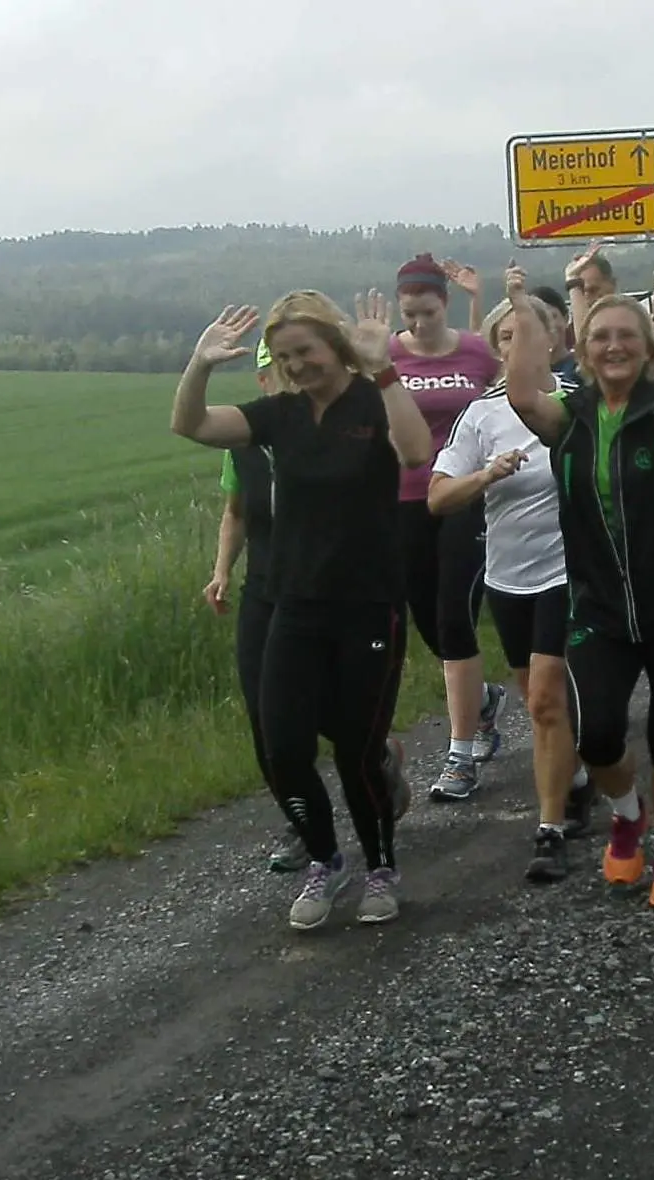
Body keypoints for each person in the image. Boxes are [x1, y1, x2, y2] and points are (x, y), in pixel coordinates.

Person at [171, 290, 433, 929]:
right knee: (283, 747)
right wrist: (200, 363)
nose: (296, 365)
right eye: (285, 356)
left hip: (369, 605)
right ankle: (325, 860)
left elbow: (417, 452)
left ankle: (379, 867)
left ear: (334, 344)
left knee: (355, 748)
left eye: (306, 352)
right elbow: (193, 425)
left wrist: (384, 369)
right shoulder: (280, 415)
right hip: (295, 603)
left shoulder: (374, 400)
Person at [505, 259, 654, 911]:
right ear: (584, 350)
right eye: (601, 337)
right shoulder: (570, 416)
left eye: (627, 335)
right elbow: (520, 395)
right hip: (598, 609)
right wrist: (521, 313)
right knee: (596, 735)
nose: (615, 345)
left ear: (645, 346)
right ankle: (627, 815)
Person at [202, 341, 412, 873]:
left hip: (339, 594)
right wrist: (222, 569)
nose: (289, 377)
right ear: (263, 381)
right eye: (276, 369)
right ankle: (307, 834)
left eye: (297, 366)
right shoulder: (247, 441)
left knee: (341, 722)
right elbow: (237, 511)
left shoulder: (338, 425)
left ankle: (375, 765)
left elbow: (409, 454)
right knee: (271, 723)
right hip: (266, 593)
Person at [429, 282, 587, 882]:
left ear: (553, 340)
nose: (519, 343)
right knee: (538, 700)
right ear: (498, 348)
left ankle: (549, 831)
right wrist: (486, 477)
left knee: (546, 698)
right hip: (507, 577)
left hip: (569, 572)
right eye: (507, 335)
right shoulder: (481, 415)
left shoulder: (580, 401)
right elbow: (440, 497)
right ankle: (574, 777)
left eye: (529, 331)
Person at [388, 254, 508, 803]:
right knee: (428, 619)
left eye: (427, 313)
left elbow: (506, 407)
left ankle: (460, 755)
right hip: (407, 499)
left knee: (454, 611)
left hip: (465, 497)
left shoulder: (476, 352)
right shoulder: (388, 355)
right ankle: (481, 698)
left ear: (445, 305)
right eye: (409, 314)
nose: (417, 324)